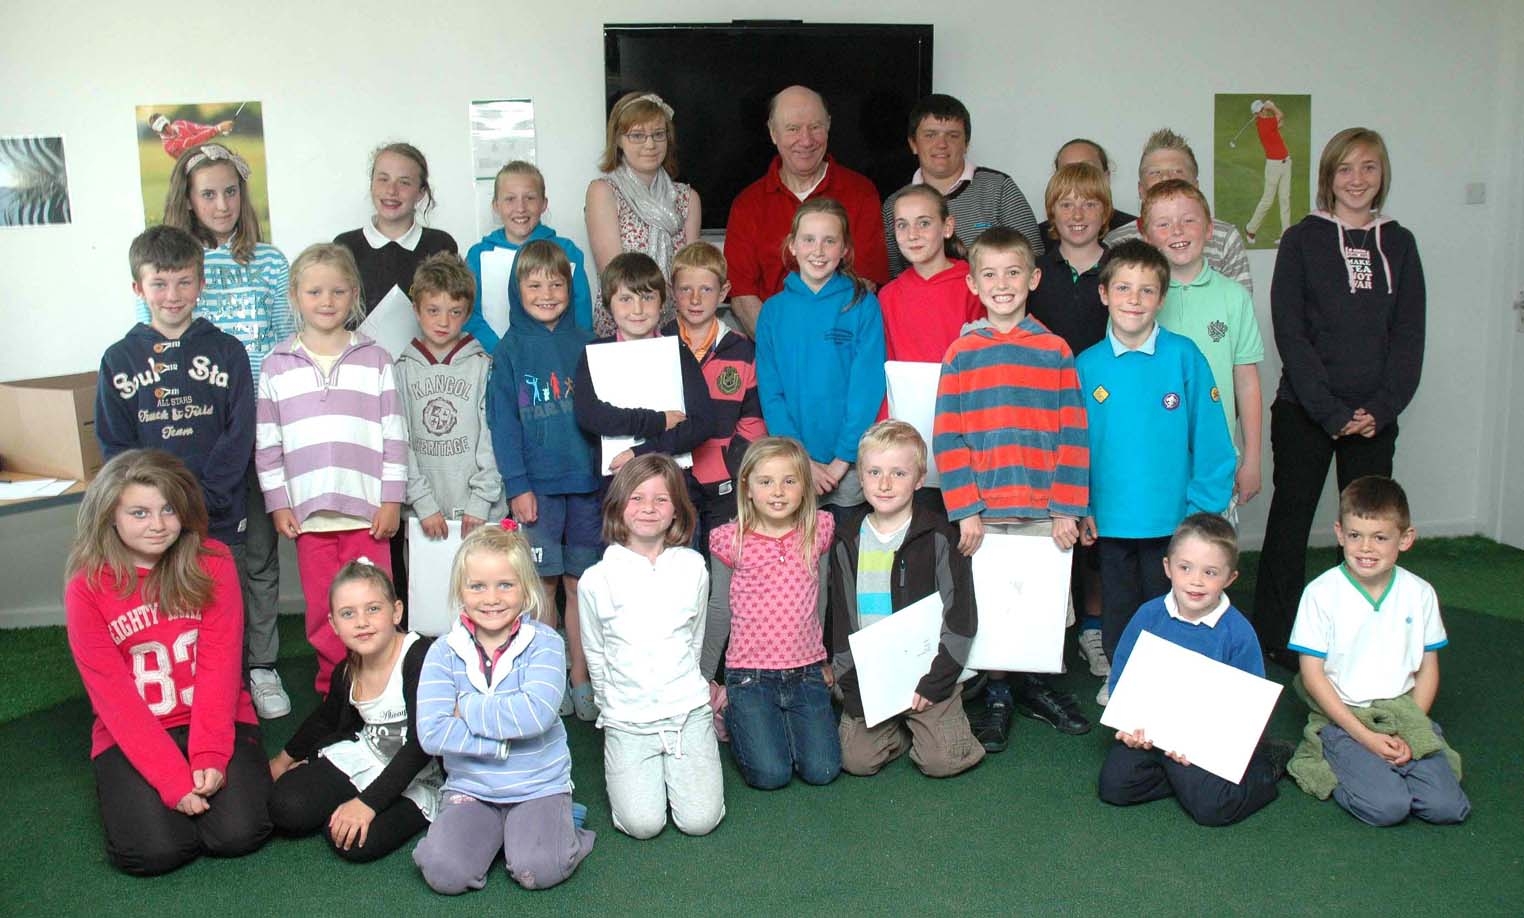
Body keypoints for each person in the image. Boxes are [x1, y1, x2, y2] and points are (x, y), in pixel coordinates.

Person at [1254, 128, 1425, 671]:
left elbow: (1409, 336)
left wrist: (1381, 409)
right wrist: (1328, 411)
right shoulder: (1301, 239)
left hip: (1374, 416)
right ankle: (1275, 637)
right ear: (1328, 175)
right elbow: (1291, 331)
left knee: (1369, 530)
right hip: (1306, 410)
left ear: (1382, 175)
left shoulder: (1400, 242)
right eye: (1345, 168)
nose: (1357, 179)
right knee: (1290, 523)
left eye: (1369, 167)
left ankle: (1359, 636)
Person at [64, 449, 271, 875]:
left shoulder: (212, 561)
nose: (157, 524)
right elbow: (113, 698)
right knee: (155, 853)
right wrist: (172, 780)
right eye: (139, 513)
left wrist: (210, 755)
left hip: (213, 717)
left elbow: (220, 668)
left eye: (168, 509)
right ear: (111, 516)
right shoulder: (87, 586)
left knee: (240, 834)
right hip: (136, 728)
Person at [934, 226, 1092, 748]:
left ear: (1033, 278)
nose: (1002, 284)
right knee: (994, 606)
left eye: (1013, 273)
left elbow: (1074, 433)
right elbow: (948, 437)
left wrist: (1067, 507)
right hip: (985, 511)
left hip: (1044, 508)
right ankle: (998, 692)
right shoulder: (961, 353)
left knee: (1040, 603)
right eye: (990, 274)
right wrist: (965, 508)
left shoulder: (1054, 350)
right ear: (973, 284)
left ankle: (1036, 685)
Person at [152, 142, 291, 719]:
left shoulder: (270, 262)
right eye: (208, 193)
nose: (222, 204)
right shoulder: (175, 267)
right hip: (197, 438)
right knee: (198, 557)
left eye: (231, 191)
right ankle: (206, 666)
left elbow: (284, 345)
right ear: (188, 199)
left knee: (257, 555)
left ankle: (261, 664)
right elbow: (156, 346)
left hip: (259, 432)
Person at [1075, 240, 1236, 704]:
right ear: (1104, 293)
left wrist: (1200, 513)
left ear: (1161, 298)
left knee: (1172, 605)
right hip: (1111, 520)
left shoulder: (1184, 357)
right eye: (1123, 288)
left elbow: (1212, 441)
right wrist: (1082, 506)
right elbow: (1074, 447)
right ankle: (1122, 680)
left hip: (1174, 520)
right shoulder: (1086, 365)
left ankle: (1172, 687)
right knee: (1120, 606)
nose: (1134, 299)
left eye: (1146, 290)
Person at [255, 244, 407, 695]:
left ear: (354, 295)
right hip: (310, 518)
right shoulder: (276, 365)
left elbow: (395, 437)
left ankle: (379, 687)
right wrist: (278, 503)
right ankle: (335, 691)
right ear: (295, 296)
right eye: (315, 291)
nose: (326, 301)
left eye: (338, 291)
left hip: (368, 515)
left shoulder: (375, 358)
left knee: (372, 604)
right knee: (326, 611)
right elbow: (267, 445)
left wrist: (391, 501)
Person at [412, 523, 595, 892]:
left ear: (526, 588)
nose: (491, 598)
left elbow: (536, 715)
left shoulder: (545, 643)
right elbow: (431, 733)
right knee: (445, 874)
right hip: (472, 787)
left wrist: (466, 706)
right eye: (477, 586)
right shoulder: (442, 651)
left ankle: (562, 823)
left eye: (505, 585)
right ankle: (501, 833)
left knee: (537, 870)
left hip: (537, 785)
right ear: (460, 591)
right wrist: (500, 744)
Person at [1286, 477, 1469, 827]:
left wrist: (1410, 728)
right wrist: (1367, 737)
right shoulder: (1321, 593)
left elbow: (1428, 668)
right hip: (1345, 716)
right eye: (1355, 535)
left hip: (1403, 711)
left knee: (1446, 807)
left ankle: (1385, 765)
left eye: (1380, 538)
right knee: (1388, 807)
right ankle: (1333, 758)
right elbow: (1312, 675)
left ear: (1406, 538)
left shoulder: (1420, 592)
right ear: (1340, 534)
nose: (1366, 548)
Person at [1098, 513, 1289, 826]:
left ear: (1230, 578)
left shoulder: (1238, 633)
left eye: (1210, 572)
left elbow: (1249, 705)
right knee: (1115, 786)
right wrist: (1129, 725)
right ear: (1167, 568)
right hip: (1153, 731)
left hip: (1208, 739)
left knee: (1212, 808)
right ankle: (1183, 779)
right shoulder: (1148, 615)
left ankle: (1266, 765)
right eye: (1185, 567)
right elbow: (1123, 672)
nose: (1196, 581)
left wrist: (1201, 746)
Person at [578, 455, 725, 838]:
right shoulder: (595, 580)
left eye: (661, 499)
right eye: (637, 498)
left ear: (676, 510)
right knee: (643, 825)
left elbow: (695, 639)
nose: (648, 508)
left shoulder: (693, 567)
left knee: (700, 821)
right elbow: (596, 653)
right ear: (618, 505)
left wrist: (687, 692)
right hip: (628, 720)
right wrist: (613, 708)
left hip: (687, 713)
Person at [829, 421, 984, 778]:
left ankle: (935, 722)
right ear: (861, 477)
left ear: (919, 479)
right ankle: (899, 732)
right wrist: (848, 680)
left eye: (898, 473)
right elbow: (842, 618)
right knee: (856, 761)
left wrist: (939, 679)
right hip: (873, 676)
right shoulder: (846, 539)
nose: (884, 484)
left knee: (941, 762)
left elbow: (961, 615)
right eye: (874, 472)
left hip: (927, 673)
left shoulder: (940, 535)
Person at [487, 240, 601, 721]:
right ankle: (548, 677)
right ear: (517, 291)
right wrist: (518, 486)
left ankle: (581, 675)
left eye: (556, 284)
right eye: (534, 285)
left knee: (580, 585)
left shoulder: (589, 343)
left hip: (589, 487)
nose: (547, 293)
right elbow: (503, 425)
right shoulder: (509, 350)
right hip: (538, 491)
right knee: (543, 585)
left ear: (570, 289)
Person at [97, 225, 254, 560]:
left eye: (184, 282)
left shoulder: (229, 351)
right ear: (138, 288)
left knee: (225, 589)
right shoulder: (118, 360)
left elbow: (240, 433)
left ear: (201, 284)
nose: (173, 295)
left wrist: (206, 498)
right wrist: (156, 505)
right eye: (159, 284)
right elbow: (116, 445)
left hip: (219, 515)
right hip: (151, 523)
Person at [268, 559, 442, 861]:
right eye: (348, 614)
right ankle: (345, 803)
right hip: (370, 756)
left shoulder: (420, 656)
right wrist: (283, 761)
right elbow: (325, 719)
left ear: (396, 611)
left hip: (423, 771)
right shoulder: (347, 669)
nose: (362, 622)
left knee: (356, 842)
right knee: (286, 806)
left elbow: (421, 745)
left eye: (373, 609)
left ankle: (374, 806)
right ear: (334, 624)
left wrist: (367, 804)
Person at [702, 437, 841, 789]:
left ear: (804, 486)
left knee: (823, 770)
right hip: (750, 676)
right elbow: (719, 609)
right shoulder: (730, 539)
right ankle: (729, 708)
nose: (777, 492)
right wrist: (701, 676)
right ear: (747, 487)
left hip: (805, 672)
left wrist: (823, 658)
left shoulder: (818, 530)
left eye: (789, 481)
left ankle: (782, 725)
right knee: (771, 775)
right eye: (765, 482)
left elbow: (821, 597)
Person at [1027, 163, 1114, 681]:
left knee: (1097, 524)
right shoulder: (1036, 272)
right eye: (1066, 204)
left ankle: (1095, 627)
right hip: (1045, 414)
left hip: (1105, 415)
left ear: (1106, 212)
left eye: (1089, 203)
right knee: (1052, 522)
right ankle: (1048, 633)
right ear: (1051, 214)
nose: (1077, 214)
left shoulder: (1120, 268)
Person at [754, 198, 886, 516]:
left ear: (845, 249)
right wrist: (800, 458)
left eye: (829, 241)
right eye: (809, 239)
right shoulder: (773, 311)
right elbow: (771, 393)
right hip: (792, 466)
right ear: (792, 245)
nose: (818, 250)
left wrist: (842, 460)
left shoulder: (862, 305)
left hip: (850, 466)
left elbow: (866, 388)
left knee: (846, 546)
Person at [724, 85, 889, 334]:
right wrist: (781, 347)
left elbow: (865, 283)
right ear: (773, 133)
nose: (806, 140)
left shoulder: (861, 193)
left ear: (829, 125)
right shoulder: (747, 204)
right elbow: (743, 297)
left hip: (840, 343)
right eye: (793, 129)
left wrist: (824, 346)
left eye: (815, 127)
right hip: (775, 344)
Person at [1142, 180, 1265, 510]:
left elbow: (1247, 382)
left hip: (1215, 457)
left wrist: (1252, 459)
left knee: (1211, 541)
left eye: (1189, 220)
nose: (1177, 231)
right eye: (1163, 224)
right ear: (1146, 236)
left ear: (1210, 229)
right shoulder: (1135, 301)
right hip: (1153, 456)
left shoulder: (1234, 297)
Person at [573, 253, 714, 484]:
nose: (638, 309)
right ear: (608, 304)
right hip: (616, 481)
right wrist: (657, 421)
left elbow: (702, 423)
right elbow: (590, 415)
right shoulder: (595, 353)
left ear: (662, 302)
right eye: (625, 299)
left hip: (672, 478)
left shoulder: (678, 352)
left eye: (647, 297)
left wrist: (641, 453)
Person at [395, 252, 503, 546]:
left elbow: (494, 438)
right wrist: (422, 503)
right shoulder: (401, 370)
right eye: (433, 310)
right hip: (423, 514)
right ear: (416, 310)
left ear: (467, 315)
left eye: (455, 312)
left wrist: (480, 501)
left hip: (479, 512)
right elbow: (400, 443)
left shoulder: (484, 366)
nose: (443, 321)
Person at [664, 241, 767, 543]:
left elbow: (753, 420)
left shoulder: (742, 350)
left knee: (725, 558)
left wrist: (733, 465)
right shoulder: (658, 344)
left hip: (724, 481)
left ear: (723, 293)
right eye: (686, 289)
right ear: (672, 292)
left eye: (706, 289)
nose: (695, 299)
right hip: (670, 478)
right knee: (679, 558)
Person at [881, 93, 1043, 279]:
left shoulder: (999, 188)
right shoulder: (895, 204)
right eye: (930, 135)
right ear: (913, 144)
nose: (941, 144)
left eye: (952, 135)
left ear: (966, 144)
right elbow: (896, 276)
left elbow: (1034, 257)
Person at [584, 91, 702, 336]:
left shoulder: (688, 198)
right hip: (621, 328)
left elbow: (691, 276)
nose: (650, 145)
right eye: (637, 135)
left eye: (658, 134)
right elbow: (613, 275)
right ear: (618, 139)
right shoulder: (603, 192)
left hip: (675, 327)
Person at [1104, 129, 1254, 295]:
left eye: (1177, 171)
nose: (1166, 177)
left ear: (1195, 186)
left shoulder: (1225, 237)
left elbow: (1241, 301)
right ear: (1140, 189)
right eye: (1155, 172)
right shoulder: (1116, 242)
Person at [464, 161, 593, 350]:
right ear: (496, 205)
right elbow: (468, 313)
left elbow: (581, 315)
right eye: (510, 199)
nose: (520, 208)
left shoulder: (567, 252)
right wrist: (501, 352)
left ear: (544, 204)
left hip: (556, 357)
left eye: (530, 198)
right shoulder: (478, 255)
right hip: (492, 357)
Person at [334, 142, 458, 316]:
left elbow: (452, 309)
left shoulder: (440, 245)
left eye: (404, 182)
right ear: (371, 184)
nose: (391, 190)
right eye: (383, 179)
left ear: (421, 192)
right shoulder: (344, 246)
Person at [878, 183, 982, 364]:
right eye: (902, 225)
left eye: (924, 223)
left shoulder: (974, 285)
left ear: (947, 227)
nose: (912, 235)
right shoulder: (888, 296)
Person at [1035, 138, 1137, 239]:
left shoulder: (1134, 232)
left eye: (1089, 170)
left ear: (1106, 177)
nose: (1079, 177)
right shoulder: (1038, 238)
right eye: (1068, 171)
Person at [1243, 100, 1292, 245]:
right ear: (1257, 114)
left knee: (1285, 199)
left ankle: (1286, 235)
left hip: (1286, 162)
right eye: (1262, 110)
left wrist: (1273, 113)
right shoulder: (1264, 124)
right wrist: (1273, 107)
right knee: (1268, 200)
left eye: (1264, 108)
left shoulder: (1267, 122)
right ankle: (1250, 229)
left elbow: (1280, 122)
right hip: (1274, 166)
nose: (1264, 111)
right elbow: (1280, 115)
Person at [148, 112, 232, 158]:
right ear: (157, 132)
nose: (167, 129)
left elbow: (199, 128)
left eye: (166, 125)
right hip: (189, 163)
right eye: (163, 129)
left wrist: (221, 130)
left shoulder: (180, 123)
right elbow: (192, 143)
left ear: (168, 121)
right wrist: (218, 129)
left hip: (204, 151)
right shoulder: (169, 146)